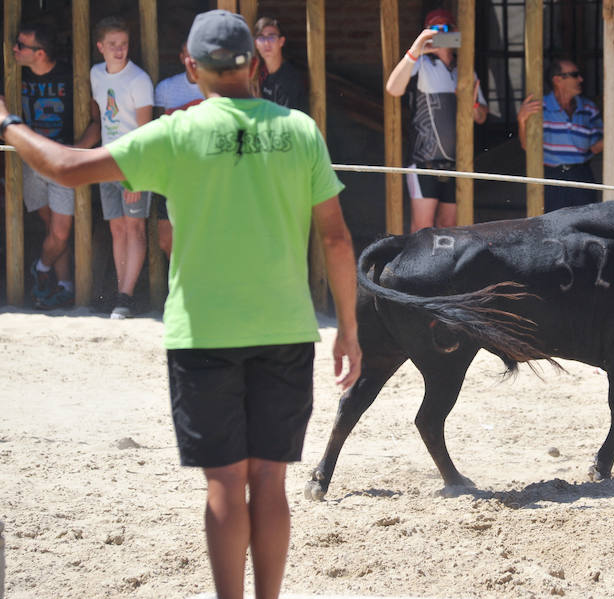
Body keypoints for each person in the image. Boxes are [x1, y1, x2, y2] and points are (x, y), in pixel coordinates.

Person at [0, 9, 362, 599]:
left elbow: (62, 167)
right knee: (268, 482)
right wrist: (347, 325)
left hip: (204, 334)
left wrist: (9, 121)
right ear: (253, 63)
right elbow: (337, 238)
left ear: (192, 67)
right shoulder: (300, 131)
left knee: (224, 486)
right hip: (286, 329)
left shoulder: (177, 132)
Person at [385, 8, 488, 232]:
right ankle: (418, 269)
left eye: (445, 29)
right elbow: (393, 88)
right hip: (424, 161)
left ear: (455, 33)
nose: (439, 34)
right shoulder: (421, 64)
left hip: (457, 164)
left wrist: (472, 103)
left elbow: (480, 117)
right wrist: (416, 49)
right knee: (422, 228)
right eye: (433, 29)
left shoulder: (465, 70)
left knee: (450, 227)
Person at [79, 16, 154, 319]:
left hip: (132, 164)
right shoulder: (96, 74)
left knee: (134, 227)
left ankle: (126, 296)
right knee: (117, 228)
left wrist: (133, 177)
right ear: (100, 47)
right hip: (106, 160)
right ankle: (119, 294)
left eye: (123, 44)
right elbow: (100, 120)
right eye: (113, 45)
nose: (120, 50)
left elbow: (145, 131)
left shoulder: (139, 80)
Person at [14, 23, 82, 309]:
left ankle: (41, 268)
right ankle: (64, 285)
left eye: (21, 46)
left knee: (61, 231)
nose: (14, 50)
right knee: (50, 227)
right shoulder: (13, 74)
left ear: (40, 53)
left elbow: (94, 118)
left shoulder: (69, 75)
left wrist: (75, 153)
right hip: (31, 162)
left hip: (61, 162)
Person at [516, 58, 603, 213]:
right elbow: (526, 146)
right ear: (557, 80)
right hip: (551, 177)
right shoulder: (539, 107)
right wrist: (521, 120)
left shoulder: (588, 108)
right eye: (575, 75)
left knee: (585, 227)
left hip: (581, 175)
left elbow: (596, 147)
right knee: (552, 229)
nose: (581, 79)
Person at [153, 41, 205, 258]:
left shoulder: (216, 88)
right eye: (188, 52)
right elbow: (155, 131)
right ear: (181, 55)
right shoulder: (165, 89)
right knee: (166, 240)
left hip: (204, 172)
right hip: (171, 172)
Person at [252, 16, 304, 111]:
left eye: (271, 37)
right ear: (256, 44)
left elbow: (284, 122)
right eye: (261, 38)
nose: (266, 43)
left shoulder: (289, 78)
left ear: (281, 41)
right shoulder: (258, 73)